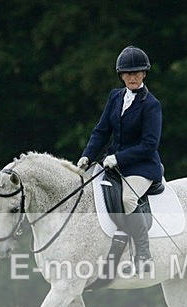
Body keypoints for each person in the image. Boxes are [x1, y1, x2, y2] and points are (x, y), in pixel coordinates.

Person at [77, 45, 163, 273]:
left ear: (144, 74)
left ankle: (143, 254)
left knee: (127, 199)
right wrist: (87, 155)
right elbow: (102, 130)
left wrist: (119, 158)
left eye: (136, 72)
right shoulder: (115, 97)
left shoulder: (151, 105)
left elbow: (149, 145)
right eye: (127, 73)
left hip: (142, 167)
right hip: (113, 164)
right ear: (121, 75)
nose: (132, 77)